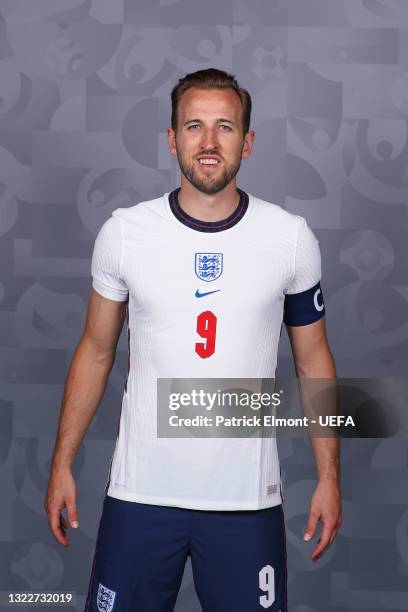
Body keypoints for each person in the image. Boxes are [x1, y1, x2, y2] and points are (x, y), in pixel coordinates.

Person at [44, 68, 342, 612]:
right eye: (194, 126)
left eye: (225, 127)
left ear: (247, 142)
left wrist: (328, 476)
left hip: (245, 505)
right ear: (172, 138)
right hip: (140, 498)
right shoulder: (125, 233)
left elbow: (313, 358)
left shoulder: (289, 238)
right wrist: (62, 461)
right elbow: (96, 350)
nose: (209, 143)